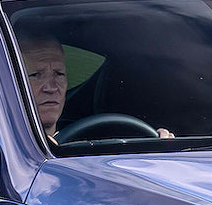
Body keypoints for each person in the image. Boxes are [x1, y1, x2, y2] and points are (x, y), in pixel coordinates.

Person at [17, 32, 174, 142]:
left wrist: (159, 148)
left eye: (59, 74)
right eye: (36, 75)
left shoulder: (93, 141)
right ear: (13, 81)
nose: (51, 87)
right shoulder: (5, 156)